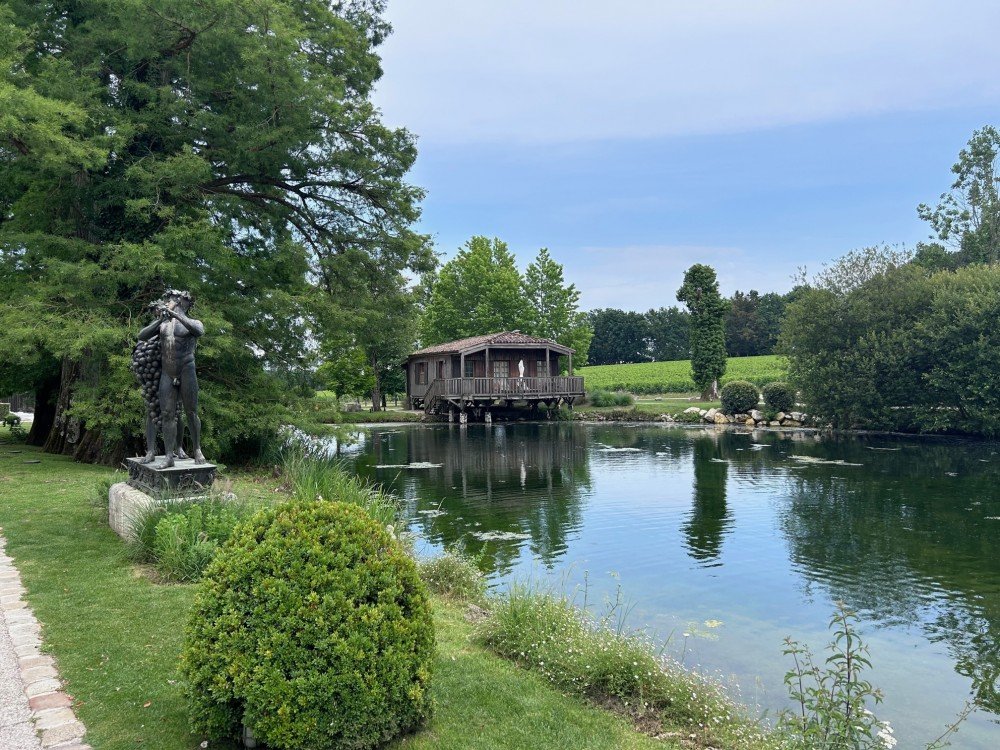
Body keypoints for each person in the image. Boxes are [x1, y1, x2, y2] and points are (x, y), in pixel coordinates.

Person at [137, 289, 206, 467]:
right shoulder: (164, 324)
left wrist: (177, 314)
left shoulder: (191, 321)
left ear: (183, 302)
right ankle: (168, 456)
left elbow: (199, 331)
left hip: (186, 368)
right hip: (168, 372)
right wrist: (161, 319)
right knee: (167, 413)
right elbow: (142, 335)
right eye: (167, 299)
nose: (168, 302)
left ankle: (197, 449)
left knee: (191, 412)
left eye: (172, 299)